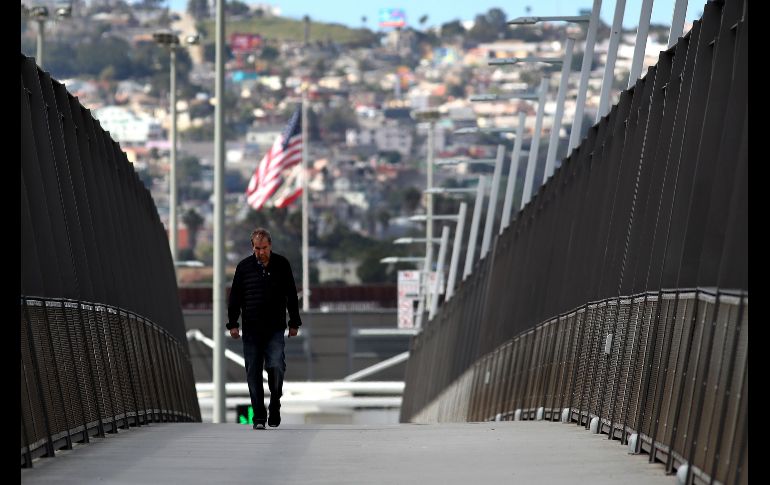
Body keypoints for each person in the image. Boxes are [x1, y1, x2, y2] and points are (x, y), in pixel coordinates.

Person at [227, 227, 302, 429]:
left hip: (275, 328)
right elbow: (234, 298)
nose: (261, 252)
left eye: (265, 248)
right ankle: (259, 417)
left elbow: (291, 295)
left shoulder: (282, 265)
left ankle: (275, 403)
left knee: (276, 366)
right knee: (253, 373)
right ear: (252, 247)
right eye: (257, 248)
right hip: (251, 330)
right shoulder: (244, 268)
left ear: (270, 246)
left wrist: (294, 322)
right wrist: (232, 324)